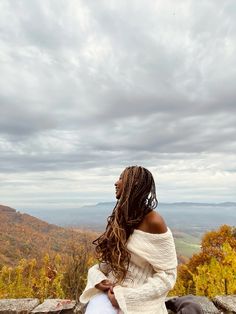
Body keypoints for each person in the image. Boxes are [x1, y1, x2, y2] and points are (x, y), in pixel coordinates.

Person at [79, 166, 177, 314]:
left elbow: (168, 276)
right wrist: (99, 280)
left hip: (140, 306)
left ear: (135, 183)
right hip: (108, 296)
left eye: (121, 178)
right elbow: (112, 264)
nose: (116, 182)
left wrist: (125, 297)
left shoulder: (154, 221)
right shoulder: (122, 219)